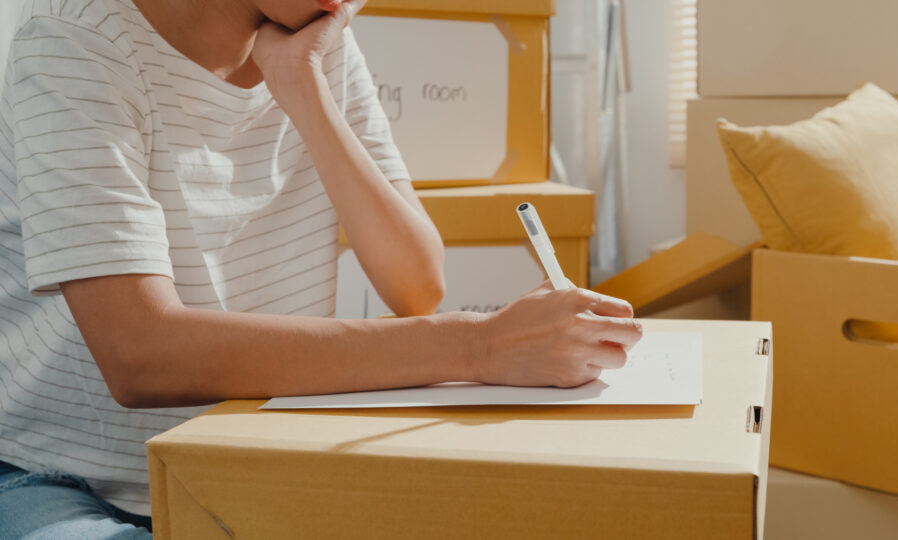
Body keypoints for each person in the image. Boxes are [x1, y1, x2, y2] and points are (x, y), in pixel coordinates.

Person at [0, 0, 642, 536]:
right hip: (67, 482)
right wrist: (479, 345)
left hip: (250, 459)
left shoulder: (311, 41)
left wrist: (302, 88)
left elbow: (416, 285)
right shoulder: (72, 42)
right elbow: (142, 356)